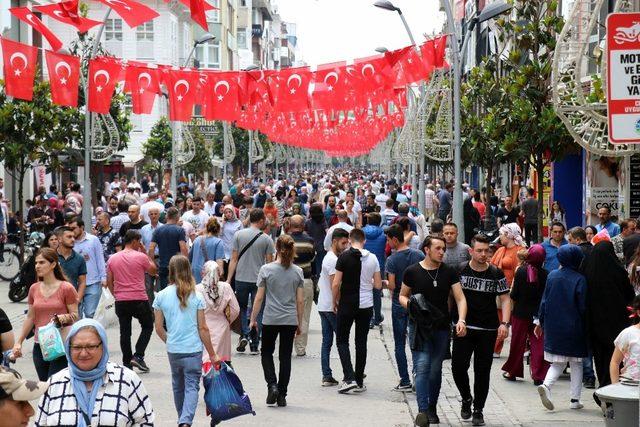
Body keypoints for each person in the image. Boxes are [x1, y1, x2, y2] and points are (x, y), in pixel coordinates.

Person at [400, 235, 468, 427]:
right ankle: (422, 411)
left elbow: (460, 298)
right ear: (426, 249)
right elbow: (402, 296)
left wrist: (461, 320)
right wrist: (411, 306)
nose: (442, 252)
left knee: (435, 370)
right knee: (422, 367)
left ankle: (432, 407)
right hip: (419, 327)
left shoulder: (449, 272)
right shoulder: (412, 272)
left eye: (443, 249)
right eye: (438, 248)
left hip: (441, 327)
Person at [34, 319, 154, 426]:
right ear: (68, 348)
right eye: (77, 347)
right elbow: (40, 423)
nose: (84, 353)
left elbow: (145, 421)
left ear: (103, 347)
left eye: (91, 346)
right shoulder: (55, 383)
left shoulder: (126, 380)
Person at [153, 255, 220, 427]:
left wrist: (170, 340)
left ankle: (181, 418)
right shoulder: (196, 296)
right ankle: (185, 420)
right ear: (188, 270)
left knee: (178, 385)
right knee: (192, 386)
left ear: (170, 271)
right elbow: (203, 328)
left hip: (173, 350)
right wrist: (212, 354)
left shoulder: (160, 296)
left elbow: (159, 328)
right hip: (193, 349)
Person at [452, 234, 510, 426]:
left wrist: (505, 324)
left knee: (482, 371)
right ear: (471, 251)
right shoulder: (460, 270)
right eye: (479, 251)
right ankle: (466, 398)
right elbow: (450, 296)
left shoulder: (496, 273)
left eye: (487, 251)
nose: (484, 254)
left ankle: (478, 409)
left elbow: (505, 298)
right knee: (458, 367)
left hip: (488, 328)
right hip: (464, 327)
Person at [249, 235, 304, 407]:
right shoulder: (298, 271)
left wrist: (252, 319)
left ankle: (272, 385)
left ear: (276, 248)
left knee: (266, 352)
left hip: (270, 318)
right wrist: (299, 323)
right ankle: (282, 394)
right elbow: (300, 300)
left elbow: (259, 298)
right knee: (285, 357)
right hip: (289, 319)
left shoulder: (266, 269)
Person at [12, 248, 79, 381]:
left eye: (42, 262)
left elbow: (75, 315)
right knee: (44, 384)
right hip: (40, 345)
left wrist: (63, 317)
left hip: (60, 344)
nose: (37, 266)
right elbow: (31, 317)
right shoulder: (34, 288)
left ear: (53, 264)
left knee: (54, 383)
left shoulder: (66, 288)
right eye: (36, 263)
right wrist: (18, 342)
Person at [535, 245, 588, 411]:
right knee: (577, 364)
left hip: (553, 325)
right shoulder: (580, 279)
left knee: (557, 362)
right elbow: (583, 306)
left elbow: (544, 301)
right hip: (574, 326)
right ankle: (574, 400)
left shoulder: (552, 276)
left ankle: (546, 385)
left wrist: (540, 322)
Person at [332, 228, 382, 394]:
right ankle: (359, 380)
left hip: (347, 303)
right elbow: (378, 286)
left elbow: (336, 283)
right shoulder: (373, 258)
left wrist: (334, 300)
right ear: (364, 240)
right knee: (361, 342)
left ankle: (349, 377)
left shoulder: (343, 257)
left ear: (350, 239)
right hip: (366, 305)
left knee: (342, 340)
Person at [583, 241, 635, 388]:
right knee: (617, 357)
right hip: (617, 324)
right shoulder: (619, 272)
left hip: (595, 324)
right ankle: (616, 387)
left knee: (600, 358)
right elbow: (629, 295)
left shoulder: (588, 272)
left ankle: (605, 386)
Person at [226, 208, 275, 354]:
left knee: (241, 308)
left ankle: (244, 334)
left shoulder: (239, 235)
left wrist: (229, 279)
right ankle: (255, 342)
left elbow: (233, 259)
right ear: (260, 221)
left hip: (241, 277)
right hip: (259, 280)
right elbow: (269, 264)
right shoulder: (266, 239)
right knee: (257, 310)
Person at [106, 230, 155, 372]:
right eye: (139, 242)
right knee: (148, 326)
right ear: (134, 241)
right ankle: (138, 355)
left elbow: (110, 281)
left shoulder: (113, 258)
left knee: (125, 332)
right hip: (139, 297)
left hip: (121, 299)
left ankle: (127, 363)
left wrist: (116, 295)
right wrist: (145, 252)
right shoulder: (141, 256)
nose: (140, 244)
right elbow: (152, 271)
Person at [501, 244, 549, 385]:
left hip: (521, 313)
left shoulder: (521, 271)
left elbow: (514, 294)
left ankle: (513, 371)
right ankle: (539, 375)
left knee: (517, 343)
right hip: (538, 316)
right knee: (538, 344)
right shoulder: (546, 274)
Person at [385, 224, 425, 391]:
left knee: (399, 343)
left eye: (388, 240)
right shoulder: (419, 254)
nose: (388, 243)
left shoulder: (392, 260)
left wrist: (385, 283)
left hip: (398, 302)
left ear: (395, 239)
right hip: (416, 301)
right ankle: (418, 376)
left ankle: (405, 379)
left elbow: (393, 285)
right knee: (416, 342)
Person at [317, 228, 350, 387]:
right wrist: (336, 303)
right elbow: (334, 285)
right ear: (335, 241)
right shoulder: (332, 260)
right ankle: (349, 372)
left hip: (324, 305)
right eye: (343, 243)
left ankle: (326, 374)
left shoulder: (330, 257)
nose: (345, 246)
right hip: (331, 306)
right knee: (342, 339)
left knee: (327, 341)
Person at [196, 261, 240, 365]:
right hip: (222, 326)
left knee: (205, 358)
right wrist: (227, 320)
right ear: (219, 273)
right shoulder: (226, 287)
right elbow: (236, 310)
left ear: (203, 273)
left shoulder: (197, 289)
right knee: (222, 360)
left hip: (203, 325)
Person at [287, 215, 316, 357]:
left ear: (290, 225)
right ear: (303, 225)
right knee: (303, 315)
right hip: (305, 280)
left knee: (286, 313)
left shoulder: (285, 240)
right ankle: (300, 348)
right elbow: (312, 259)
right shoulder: (309, 241)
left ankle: (286, 343)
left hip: (286, 281)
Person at [68, 217, 106, 318]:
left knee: (90, 313)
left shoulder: (93, 240)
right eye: (69, 229)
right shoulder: (68, 243)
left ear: (82, 227)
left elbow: (100, 259)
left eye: (74, 228)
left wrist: (103, 277)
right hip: (75, 284)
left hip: (92, 282)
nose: (71, 231)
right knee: (76, 315)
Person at [148, 207, 188, 291]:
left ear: (167, 217)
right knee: (178, 290)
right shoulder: (179, 230)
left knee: (164, 290)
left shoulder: (158, 230)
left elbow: (151, 248)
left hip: (163, 265)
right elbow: (183, 248)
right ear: (177, 217)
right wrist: (186, 264)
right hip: (177, 266)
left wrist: (153, 264)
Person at [363, 212, 387, 328]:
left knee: (364, 290)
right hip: (379, 264)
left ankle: (366, 316)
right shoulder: (383, 234)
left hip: (363, 264)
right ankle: (376, 316)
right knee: (377, 292)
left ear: (368, 221)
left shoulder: (362, 232)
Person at [610, 295, 640, 383]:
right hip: (630, 385)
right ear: (638, 312)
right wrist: (615, 387)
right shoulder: (628, 333)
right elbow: (615, 362)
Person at [54, 226, 87, 298]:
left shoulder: (80, 259)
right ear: (59, 239)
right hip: (53, 300)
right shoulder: (51, 257)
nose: (73, 239)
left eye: (73, 237)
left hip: (71, 301)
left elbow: (82, 282)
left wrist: (77, 299)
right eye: (69, 237)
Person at [189, 217, 225, 281]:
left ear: (207, 228)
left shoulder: (197, 239)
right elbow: (219, 264)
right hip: (209, 277)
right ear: (218, 229)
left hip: (195, 277)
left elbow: (190, 258)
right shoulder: (218, 242)